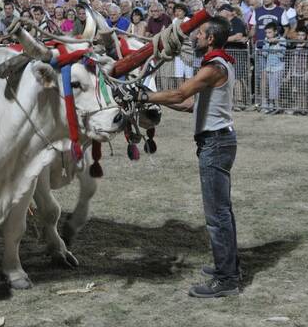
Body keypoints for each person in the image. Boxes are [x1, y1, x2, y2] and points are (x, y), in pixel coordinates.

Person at [116, 16, 240, 297]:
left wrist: (142, 98)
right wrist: (148, 97)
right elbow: (187, 103)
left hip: (215, 144)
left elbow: (180, 92)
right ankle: (229, 265)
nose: (194, 38)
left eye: (199, 34)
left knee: (217, 214)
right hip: (218, 142)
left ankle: (227, 278)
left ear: (210, 39)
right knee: (223, 211)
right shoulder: (219, 64)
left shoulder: (213, 68)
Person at [261, 22, 287, 113]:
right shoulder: (266, 40)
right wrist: (268, 44)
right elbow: (264, 54)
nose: (267, 35)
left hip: (278, 67)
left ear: (275, 32)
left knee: (275, 88)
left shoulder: (282, 40)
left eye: (269, 32)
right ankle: (272, 105)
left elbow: (282, 55)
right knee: (270, 87)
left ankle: (277, 106)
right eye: (266, 33)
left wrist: (276, 44)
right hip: (269, 67)